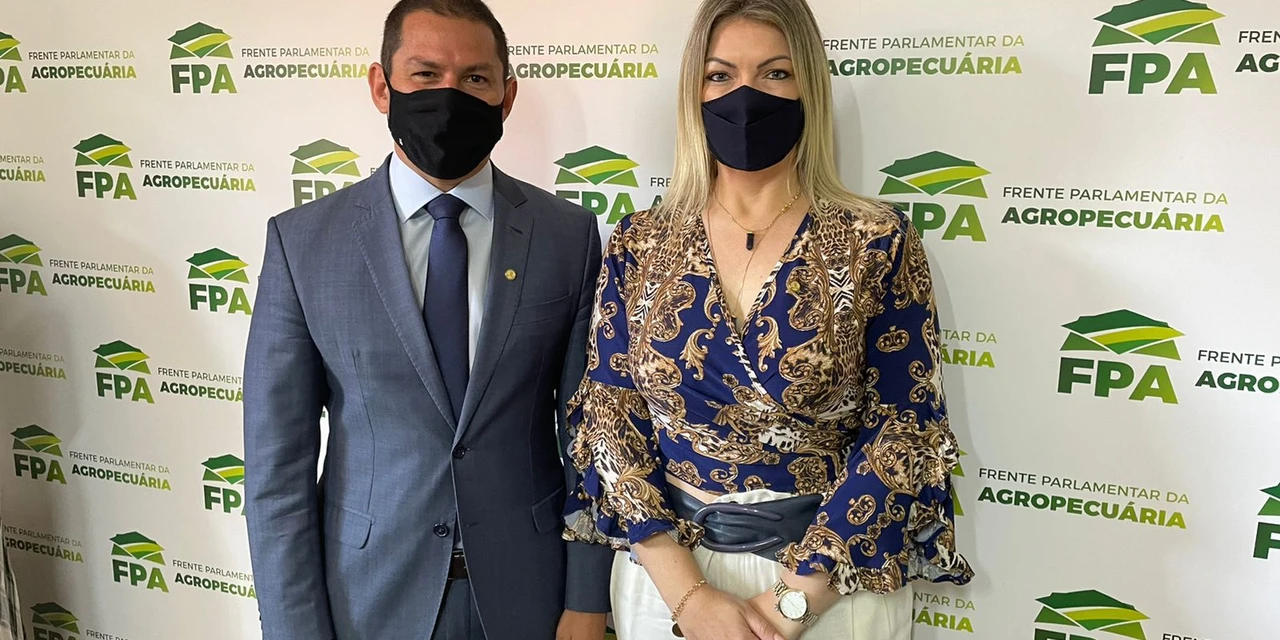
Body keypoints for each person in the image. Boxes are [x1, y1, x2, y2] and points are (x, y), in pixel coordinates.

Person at [561, 0, 974, 638]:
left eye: (775, 73)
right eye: (720, 75)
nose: (745, 96)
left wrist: (793, 604)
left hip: (832, 590)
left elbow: (905, 428)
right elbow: (609, 417)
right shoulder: (641, 242)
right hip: (666, 586)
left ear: (809, 87)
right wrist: (688, 597)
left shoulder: (875, 240)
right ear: (693, 91)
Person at [243, 1, 613, 638]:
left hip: (533, 595)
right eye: (425, 74)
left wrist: (588, 597)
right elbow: (277, 468)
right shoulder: (303, 245)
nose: (450, 96)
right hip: (367, 598)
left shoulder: (567, 236)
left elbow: (592, 437)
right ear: (381, 86)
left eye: (475, 78)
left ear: (507, 96)